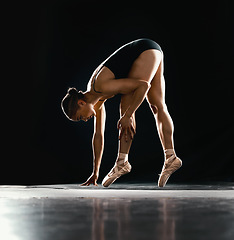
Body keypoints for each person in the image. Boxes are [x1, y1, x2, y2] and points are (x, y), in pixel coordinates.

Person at [61, 38, 182, 188]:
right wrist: (95, 173)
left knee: (126, 105)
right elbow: (98, 136)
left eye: (80, 117)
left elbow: (143, 86)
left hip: (143, 51)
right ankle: (171, 157)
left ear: (81, 103)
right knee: (157, 106)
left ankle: (122, 162)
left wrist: (128, 115)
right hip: (151, 49)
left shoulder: (100, 86)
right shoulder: (95, 99)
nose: (85, 120)